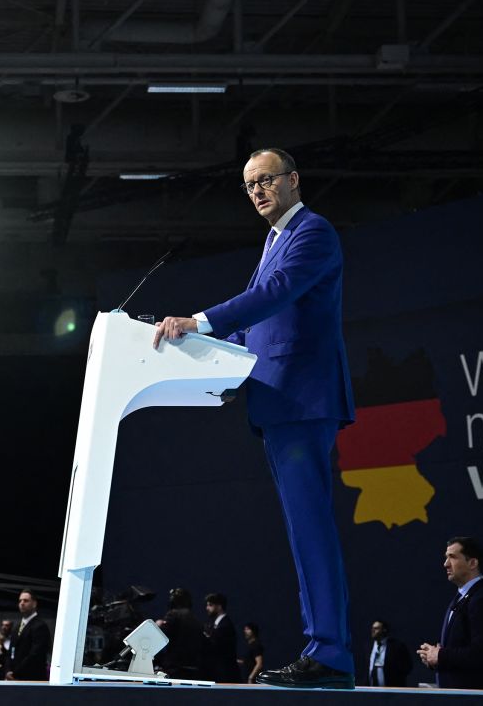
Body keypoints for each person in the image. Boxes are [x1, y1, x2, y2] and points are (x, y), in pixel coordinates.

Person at [154, 147, 355, 690]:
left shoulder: (312, 232)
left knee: (311, 529)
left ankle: (331, 654)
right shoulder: (275, 242)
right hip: (278, 401)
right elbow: (254, 331)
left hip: (300, 400)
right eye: (249, 186)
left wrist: (198, 320)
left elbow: (271, 296)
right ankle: (325, 648)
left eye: (266, 180)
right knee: (302, 530)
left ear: (293, 179)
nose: (258, 191)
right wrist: (207, 363)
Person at [417, 537, 483, 690]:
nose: (445, 564)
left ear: (472, 563)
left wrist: (441, 655)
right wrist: (435, 658)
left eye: (452, 557)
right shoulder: (462, 598)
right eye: (446, 557)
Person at [155, 587, 204, 679]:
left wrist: (158, 626)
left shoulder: (173, 615)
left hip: (174, 668)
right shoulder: (195, 619)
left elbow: (162, 636)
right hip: (192, 667)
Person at [6, 589, 51, 681]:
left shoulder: (40, 626)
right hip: (14, 678)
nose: (22, 603)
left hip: (31, 679)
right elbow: (10, 651)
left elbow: (34, 655)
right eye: (20, 601)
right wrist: (8, 670)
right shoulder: (17, 626)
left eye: (26, 600)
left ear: (34, 604)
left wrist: (15, 673)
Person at [202, 593, 239, 683]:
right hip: (218, 674)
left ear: (219, 606)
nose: (207, 608)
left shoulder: (226, 625)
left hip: (225, 675)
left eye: (210, 605)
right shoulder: (212, 624)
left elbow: (217, 648)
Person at [367, 619, 412, 687]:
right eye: (372, 628)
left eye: (376, 628)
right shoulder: (368, 646)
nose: (373, 631)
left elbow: (407, 666)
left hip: (392, 690)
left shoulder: (397, 646)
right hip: (369, 690)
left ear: (384, 630)